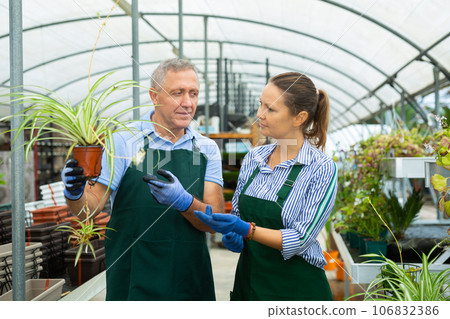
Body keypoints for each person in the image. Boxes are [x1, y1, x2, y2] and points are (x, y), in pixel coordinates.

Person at [62, 58, 224, 301]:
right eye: (177, 93)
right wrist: (74, 192)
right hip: (133, 273)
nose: (188, 103)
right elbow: (90, 209)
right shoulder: (124, 140)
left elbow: (215, 221)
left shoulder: (206, 148)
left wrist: (184, 202)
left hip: (189, 276)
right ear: (154, 96)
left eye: (193, 93)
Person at [195, 72, 338, 301]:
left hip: (297, 291)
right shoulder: (254, 159)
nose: (259, 114)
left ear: (299, 117)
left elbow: (301, 240)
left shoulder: (321, 168)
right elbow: (240, 219)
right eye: (260, 105)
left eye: (270, 109)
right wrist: (234, 235)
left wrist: (247, 230)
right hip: (249, 286)